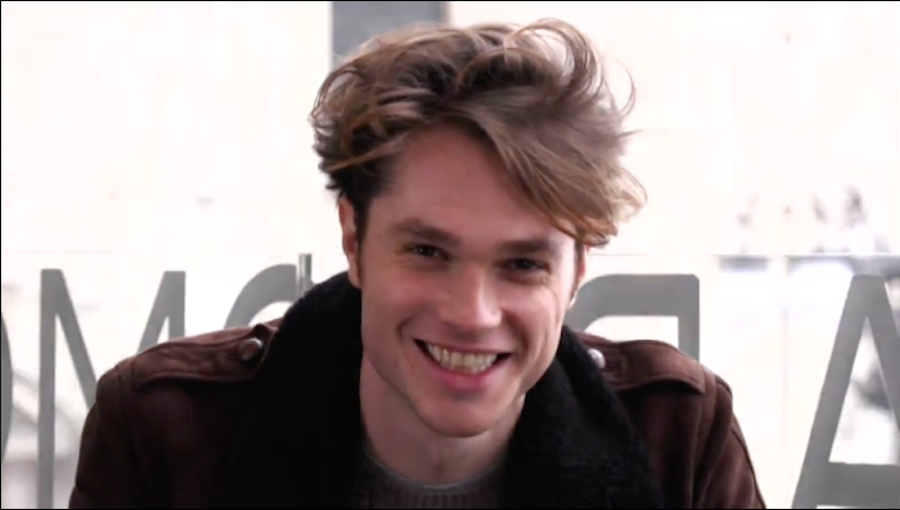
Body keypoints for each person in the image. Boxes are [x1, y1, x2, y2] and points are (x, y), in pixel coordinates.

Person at [69, 18, 765, 509]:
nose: (472, 314)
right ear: (353, 239)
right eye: (428, 252)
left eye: (523, 265)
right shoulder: (163, 431)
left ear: (577, 271)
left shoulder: (680, 439)